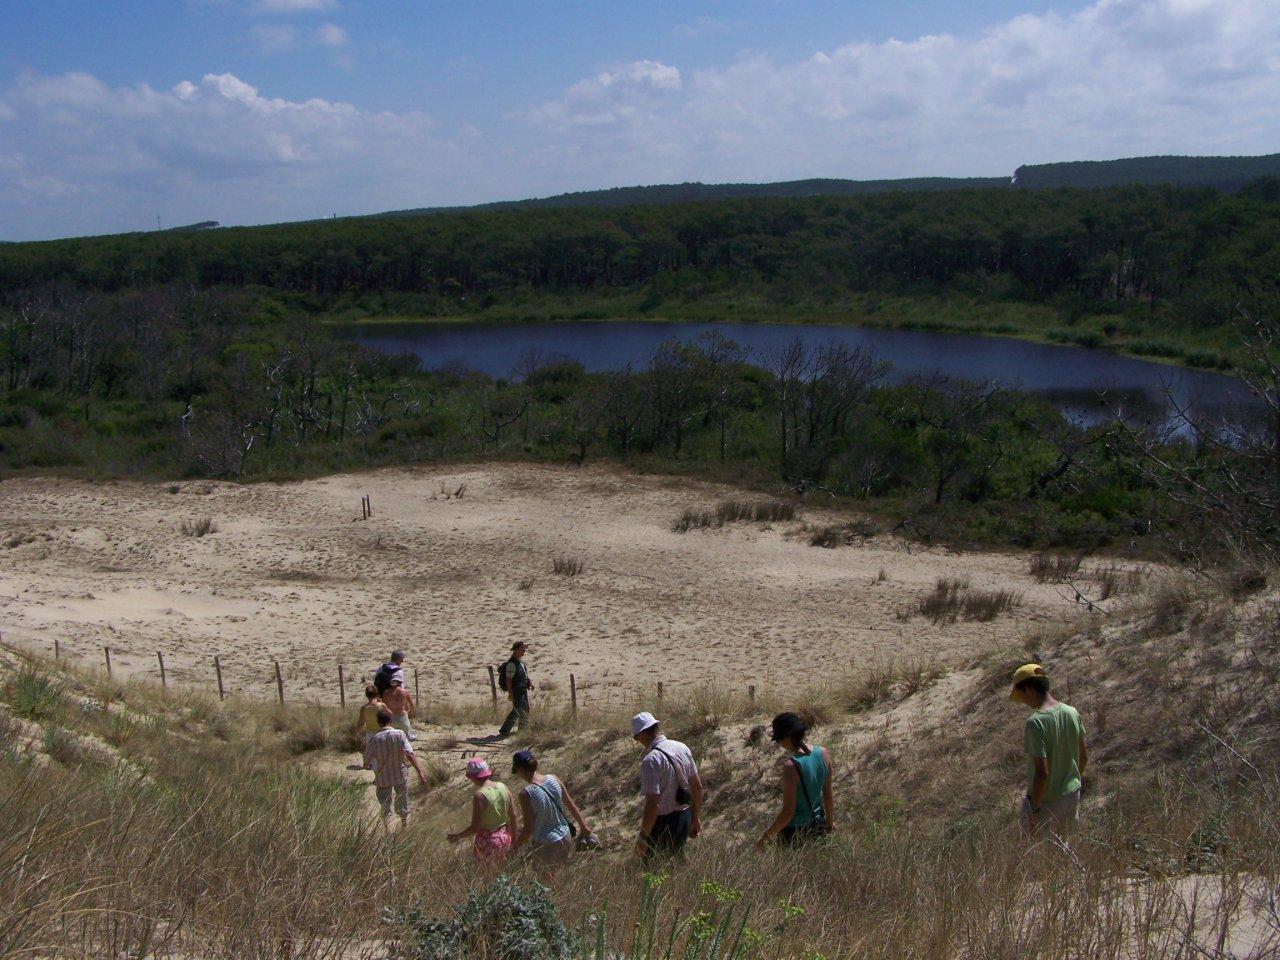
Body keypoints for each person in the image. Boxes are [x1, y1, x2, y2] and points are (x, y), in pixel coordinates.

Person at [1010, 664, 1087, 838]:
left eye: (1021, 694)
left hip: (1046, 802)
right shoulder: (1072, 712)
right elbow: (1083, 757)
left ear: (1029, 689)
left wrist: (1035, 809)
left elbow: (1042, 772)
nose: (1022, 701)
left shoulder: (1035, 723)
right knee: (1066, 852)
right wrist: (1072, 781)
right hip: (1072, 794)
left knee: (1035, 854)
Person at [631, 712, 703, 862]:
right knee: (677, 866)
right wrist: (694, 818)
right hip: (684, 817)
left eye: (636, 737)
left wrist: (643, 838)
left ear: (643, 734)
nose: (638, 741)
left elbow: (653, 804)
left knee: (653, 872)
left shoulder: (651, 760)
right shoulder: (682, 747)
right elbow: (697, 787)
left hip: (663, 823)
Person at [756, 712, 834, 848]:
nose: (780, 744)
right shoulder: (823, 753)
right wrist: (830, 822)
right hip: (818, 826)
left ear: (787, 737)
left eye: (779, 739)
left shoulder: (791, 767)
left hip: (795, 833)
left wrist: (764, 839)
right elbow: (828, 795)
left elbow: (788, 812)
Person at [510, 749, 594, 869]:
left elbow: (528, 829)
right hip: (565, 836)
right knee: (562, 878)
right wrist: (583, 826)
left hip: (546, 842)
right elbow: (571, 805)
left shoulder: (526, 793)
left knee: (545, 885)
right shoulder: (553, 778)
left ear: (521, 770)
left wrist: (515, 848)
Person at [363, 708, 429, 829]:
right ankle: (404, 827)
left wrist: (367, 765)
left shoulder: (375, 739)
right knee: (402, 800)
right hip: (399, 774)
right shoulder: (400, 734)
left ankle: (387, 829)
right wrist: (420, 771)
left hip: (383, 777)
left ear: (378, 722)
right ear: (390, 720)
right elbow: (409, 753)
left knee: (384, 803)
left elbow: (366, 761)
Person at [447, 758, 517, 868]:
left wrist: (458, 836)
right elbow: (512, 816)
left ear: (473, 777)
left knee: (486, 879)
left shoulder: (480, 796)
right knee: (503, 876)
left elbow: (475, 827)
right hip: (505, 837)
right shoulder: (503, 787)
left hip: (488, 842)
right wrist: (514, 839)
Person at [497, 642, 534, 739]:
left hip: (522, 689)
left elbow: (524, 675)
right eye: (522, 650)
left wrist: (529, 683)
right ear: (516, 650)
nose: (524, 652)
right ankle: (505, 730)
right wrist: (510, 693)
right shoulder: (512, 664)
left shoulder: (520, 663)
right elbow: (508, 680)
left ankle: (523, 731)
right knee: (517, 710)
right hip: (516, 690)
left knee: (525, 710)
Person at [354, 684, 384, 768]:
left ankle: (377, 776)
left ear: (366, 695)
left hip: (370, 734)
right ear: (376, 693)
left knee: (373, 756)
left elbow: (361, 723)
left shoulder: (364, 708)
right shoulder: (381, 705)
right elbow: (390, 715)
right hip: (382, 732)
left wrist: (356, 733)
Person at [381, 676, 417, 740]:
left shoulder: (386, 693)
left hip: (391, 718)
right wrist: (411, 713)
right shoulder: (405, 692)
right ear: (400, 683)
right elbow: (412, 705)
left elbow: (383, 706)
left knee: (392, 739)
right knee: (404, 739)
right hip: (402, 717)